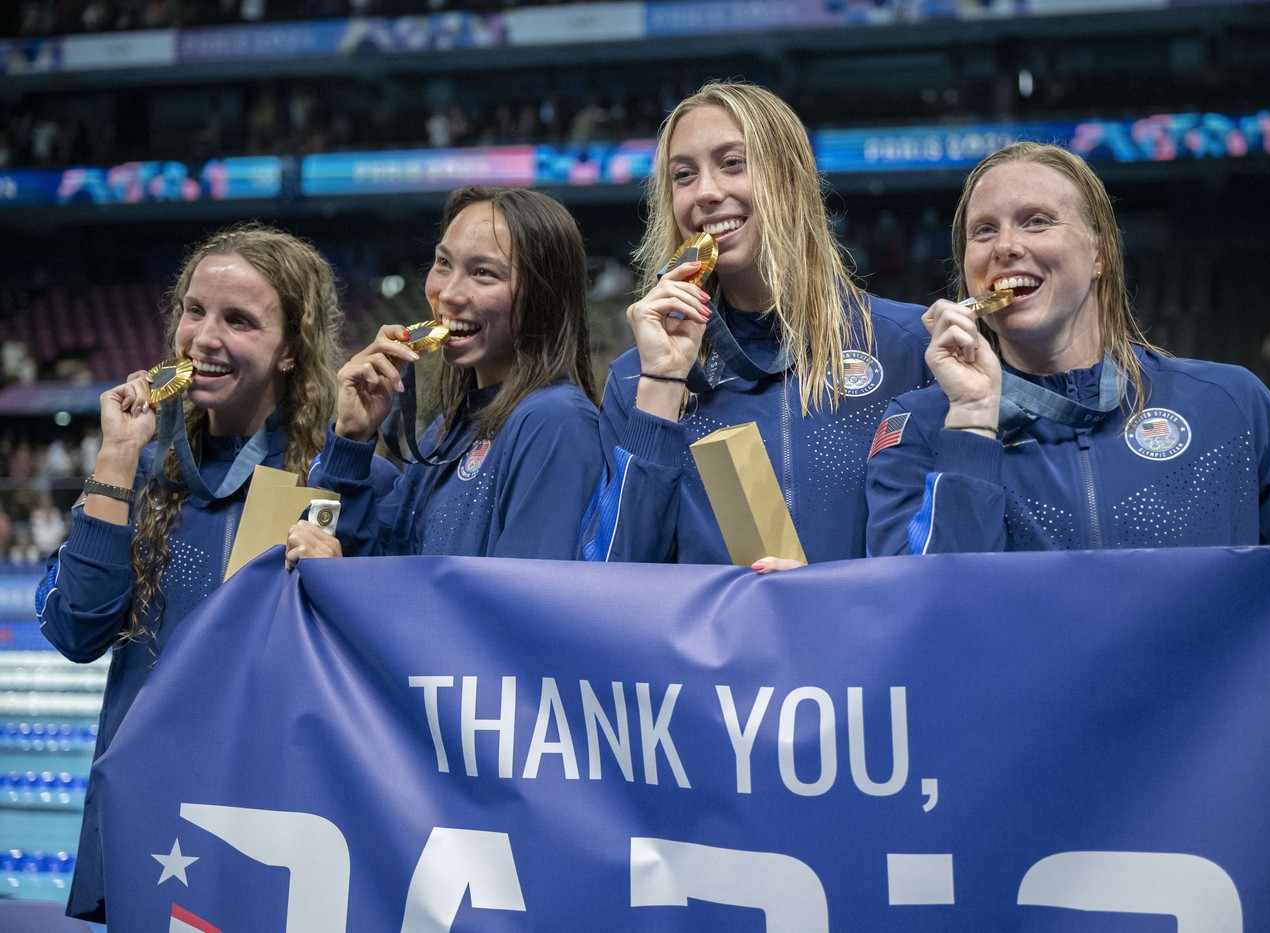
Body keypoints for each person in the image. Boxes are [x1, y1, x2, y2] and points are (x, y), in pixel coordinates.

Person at [864, 142, 1270, 664]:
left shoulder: (1237, 404)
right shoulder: (919, 427)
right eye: (984, 230)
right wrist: (973, 423)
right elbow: (919, 636)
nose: (1005, 245)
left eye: (1037, 221)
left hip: (1205, 756)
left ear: (1100, 253)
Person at [34, 222, 345, 922]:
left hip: (265, 823)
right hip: (145, 815)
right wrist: (114, 459)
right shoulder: (141, 469)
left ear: (291, 349)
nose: (204, 336)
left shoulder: (339, 482)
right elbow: (75, 628)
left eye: (238, 319)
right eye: (194, 310)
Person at [580, 80, 930, 569]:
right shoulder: (637, 379)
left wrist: (830, 596)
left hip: (860, 643)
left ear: (791, 177)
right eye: (683, 175)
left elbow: (943, 565)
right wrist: (661, 388)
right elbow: (612, 576)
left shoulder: (910, 347)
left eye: (732, 163)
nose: (706, 192)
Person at [285, 185, 601, 562]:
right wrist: (352, 438)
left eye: (483, 273)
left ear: (544, 297)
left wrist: (348, 590)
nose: (448, 294)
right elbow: (378, 564)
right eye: (443, 263)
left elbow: (519, 608)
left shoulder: (555, 421)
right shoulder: (444, 432)